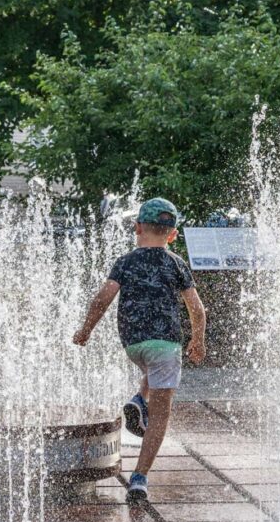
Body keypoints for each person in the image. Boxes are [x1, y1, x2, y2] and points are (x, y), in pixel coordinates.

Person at [72, 197, 207, 501]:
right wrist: (197, 340)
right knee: (160, 414)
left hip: (132, 342)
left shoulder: (125, 261)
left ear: (137, 228)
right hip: (166, 343)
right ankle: (139, 478)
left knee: (153, 367)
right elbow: (197, 309)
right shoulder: (176, 263)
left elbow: (102, 299)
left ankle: (138, 399)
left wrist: (85, 330)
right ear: (172, 235)